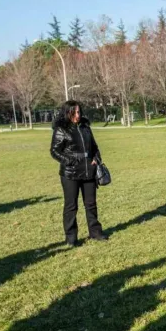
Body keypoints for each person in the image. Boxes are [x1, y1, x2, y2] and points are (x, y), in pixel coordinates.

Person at [50, 100, 107, 247]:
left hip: (89, 171)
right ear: (67, 113)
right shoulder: (61, 129)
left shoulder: (85, 126)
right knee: (71, 206)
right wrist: (70, 161)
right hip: (70, 173)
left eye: (79, 112)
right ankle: (71, 238)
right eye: (74, 112)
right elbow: (55, 151)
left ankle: (95, 232)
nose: (77, 115)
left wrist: (96, 158)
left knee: (91, 204)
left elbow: (94, 147)